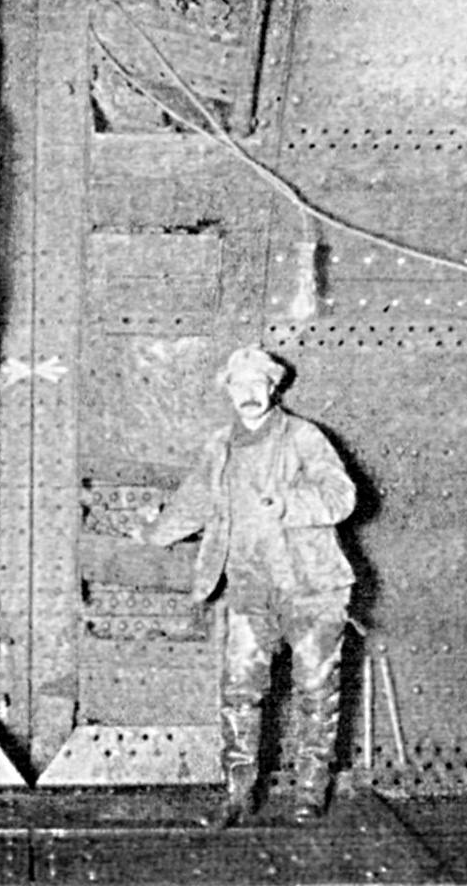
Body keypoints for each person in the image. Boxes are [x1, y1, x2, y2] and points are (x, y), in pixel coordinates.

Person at [129, 345, 356, 826]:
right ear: (229, 391)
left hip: (311, 590)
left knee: (317, 692)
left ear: (274, 388)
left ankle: (310, 792)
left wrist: (289, 504)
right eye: (240, 385)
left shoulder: (304, 437)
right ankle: (237, 794)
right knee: (238, 694)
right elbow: (193, 502)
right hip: (251, 591)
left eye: (259, 384)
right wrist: (152, 533)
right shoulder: (221, 447)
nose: (249, 394)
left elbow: (342, 496)